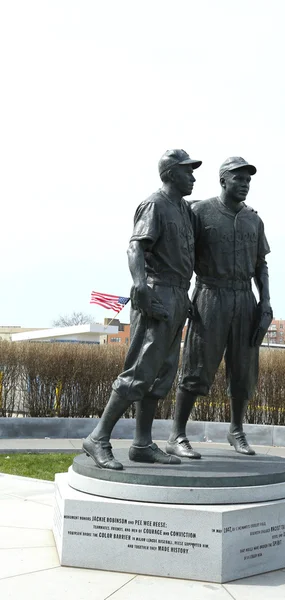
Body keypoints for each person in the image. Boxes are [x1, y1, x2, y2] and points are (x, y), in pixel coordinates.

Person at [83, 149, 202, 469]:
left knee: (161, 375)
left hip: (177, 294)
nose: (193, 176)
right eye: (187, 171)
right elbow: (136, 246)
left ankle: (143, 443)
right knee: (139, 373)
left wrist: (184, 297)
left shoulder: (184, 210)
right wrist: (140, 286)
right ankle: (98, 438)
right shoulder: (155, 204)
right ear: (170, 174)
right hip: (156, 292)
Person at [166, 157, 273, 459]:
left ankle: (236, 430)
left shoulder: (254, 219)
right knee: (197, 366)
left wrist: (265, 303)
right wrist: (183, 293)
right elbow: (182, 253)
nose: (244, 185)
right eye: (238, 179)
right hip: (210, 295)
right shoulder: (200, 211)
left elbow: (261, 265)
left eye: (248, 180)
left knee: (243, 369)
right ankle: (177, 434)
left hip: (244, 299)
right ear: (223, 180)